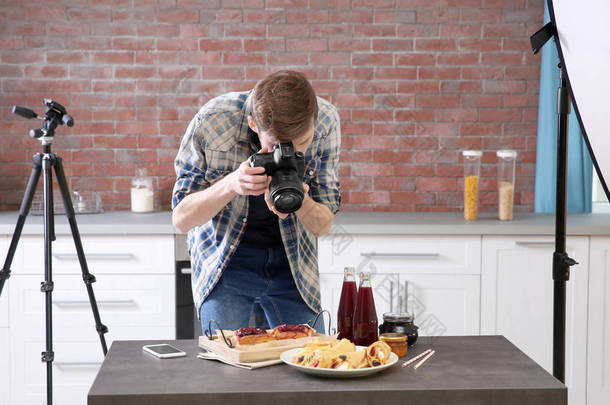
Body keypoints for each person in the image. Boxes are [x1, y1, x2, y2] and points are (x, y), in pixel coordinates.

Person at [172, 70, 341, 335]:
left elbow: (323, 226)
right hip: (225, 263)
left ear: (314, 121)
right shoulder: (212, 120)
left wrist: (301, 201)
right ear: (253, 124)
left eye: (303, 144)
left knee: (310, 362)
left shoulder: (326, 120)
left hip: (294, 265)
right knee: (226, 366)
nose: (292, 155)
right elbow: (181, 219)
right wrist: (231, 184)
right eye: (277, 147)